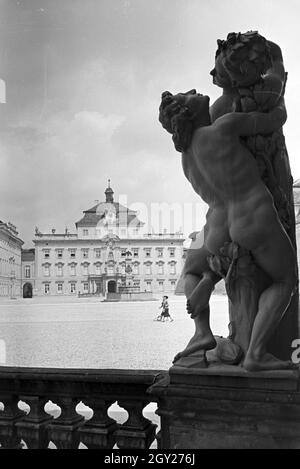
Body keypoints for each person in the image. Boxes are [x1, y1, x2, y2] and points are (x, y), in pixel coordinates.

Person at [159, 89, 297, 371]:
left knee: (190, 271)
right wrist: (277, 87)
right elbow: (276, 118)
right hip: (254, 215)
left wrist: (209, 277)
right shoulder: (224, 126)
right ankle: (256, 353)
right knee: (286, 280)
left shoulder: (187, 158)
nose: (196, 91)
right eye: (189, 95)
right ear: (188, 111)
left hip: (217, 226)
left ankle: (202, 331)